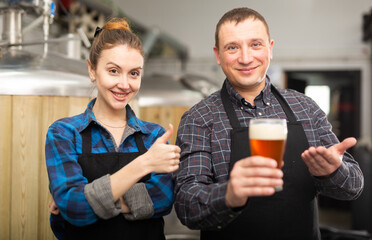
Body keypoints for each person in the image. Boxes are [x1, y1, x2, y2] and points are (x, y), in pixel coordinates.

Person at [173, 7, 364, 240]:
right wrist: (229, 194)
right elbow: (186, 206)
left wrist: (333, 171)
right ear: (218, 54)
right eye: (232, 47)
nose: (245, 58)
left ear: (270, 48)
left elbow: (354, 187)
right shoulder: (199, 118)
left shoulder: (305, 107)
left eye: (255, 44)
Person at [45, 18, 180, 240]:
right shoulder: (64, 133)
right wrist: (144, 163)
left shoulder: (153, 135)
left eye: (134, 73)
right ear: (92, 69)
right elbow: (75, 208)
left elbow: (164, 199)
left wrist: (88, 201)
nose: (125, 84)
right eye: (114, 71)